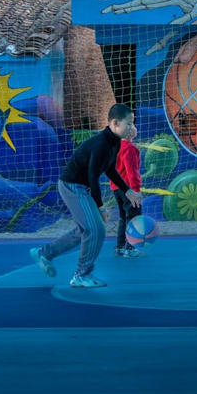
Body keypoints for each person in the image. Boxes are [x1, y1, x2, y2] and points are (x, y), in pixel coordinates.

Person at [30, 104, 143, 288]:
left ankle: (45, 253)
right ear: (115, 123)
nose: (132, 127)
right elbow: (92, 177)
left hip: (80, 187)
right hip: (73, 186)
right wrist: (101, 207)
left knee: (84, 230)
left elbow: (110, 170)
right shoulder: (101, 144)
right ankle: (82, 275)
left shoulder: (114, 142)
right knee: (96, 229)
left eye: (133, 123)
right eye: (128, 124)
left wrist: (128, 191)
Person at [110, 124, 143, 258]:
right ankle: (130, 247)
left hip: (117, 188)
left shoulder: (116, 146)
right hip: (128, 189)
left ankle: (120, 246)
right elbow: (132, 171)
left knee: (123, 217)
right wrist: (136, 190)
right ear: (130, 132)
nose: (135, 128)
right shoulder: (129, 147)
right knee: (134, 218)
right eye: (132, 125)